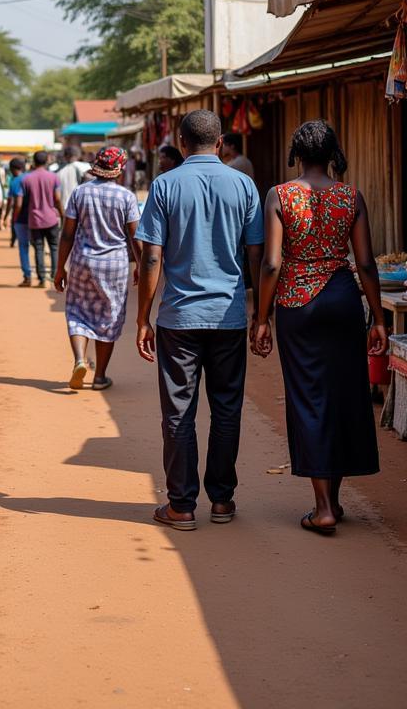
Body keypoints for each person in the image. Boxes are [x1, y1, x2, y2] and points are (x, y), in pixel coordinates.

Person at [253, 121, 385, 535]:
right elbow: (365, 262)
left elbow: (271, 263)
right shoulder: (351, 195)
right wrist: (379, 318)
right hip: (344, 299)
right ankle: (336, 500)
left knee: (309, 397)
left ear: (297, 152)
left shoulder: (280, 194)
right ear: (333, 154)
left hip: (297, 304)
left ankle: (324, 507)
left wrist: (261, 318)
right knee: (345, 394)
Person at [134, 109, 263, 531]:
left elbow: (151, 255)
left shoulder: (166, 184)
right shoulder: (243, 184)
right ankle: (222, 501)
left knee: (178, 413)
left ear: (182, 143)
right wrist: (261, 313)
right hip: (228, 316)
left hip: (179, 318)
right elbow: (257, 255)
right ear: (222, 141)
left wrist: (143, 318)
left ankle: (182, 505)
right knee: (227, 410)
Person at [55, 147, 142, 391]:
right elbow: (135, 237)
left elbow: (67, 234)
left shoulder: (79, 193)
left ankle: (80, 360)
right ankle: (100, 376)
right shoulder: (126, 197)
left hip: (83, 262)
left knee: (77, 311)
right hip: (115, 265)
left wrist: (60, 267)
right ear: (120, 169)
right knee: (109, 316)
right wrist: (141, 266)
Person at [19, 150, 64, 288]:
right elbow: (57, 199)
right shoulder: (53, 177)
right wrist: (62, 214)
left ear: (33, 161)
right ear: (47, 161)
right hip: (51, 218)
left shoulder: (26, 179)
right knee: (54, 247)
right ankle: (55, 275)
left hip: (34, 219)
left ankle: (42, 279)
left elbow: (21, 202)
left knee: (38, 248)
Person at [7, 157, 32, 286]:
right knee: (39, 247)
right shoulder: (31, 177)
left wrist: (13, 217)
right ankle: (43, 276)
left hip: (21, 219)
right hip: (36, 218)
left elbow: (15, 203)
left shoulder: (15, 181)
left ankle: (27, 276)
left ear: (12, 169)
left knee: (23, 247)